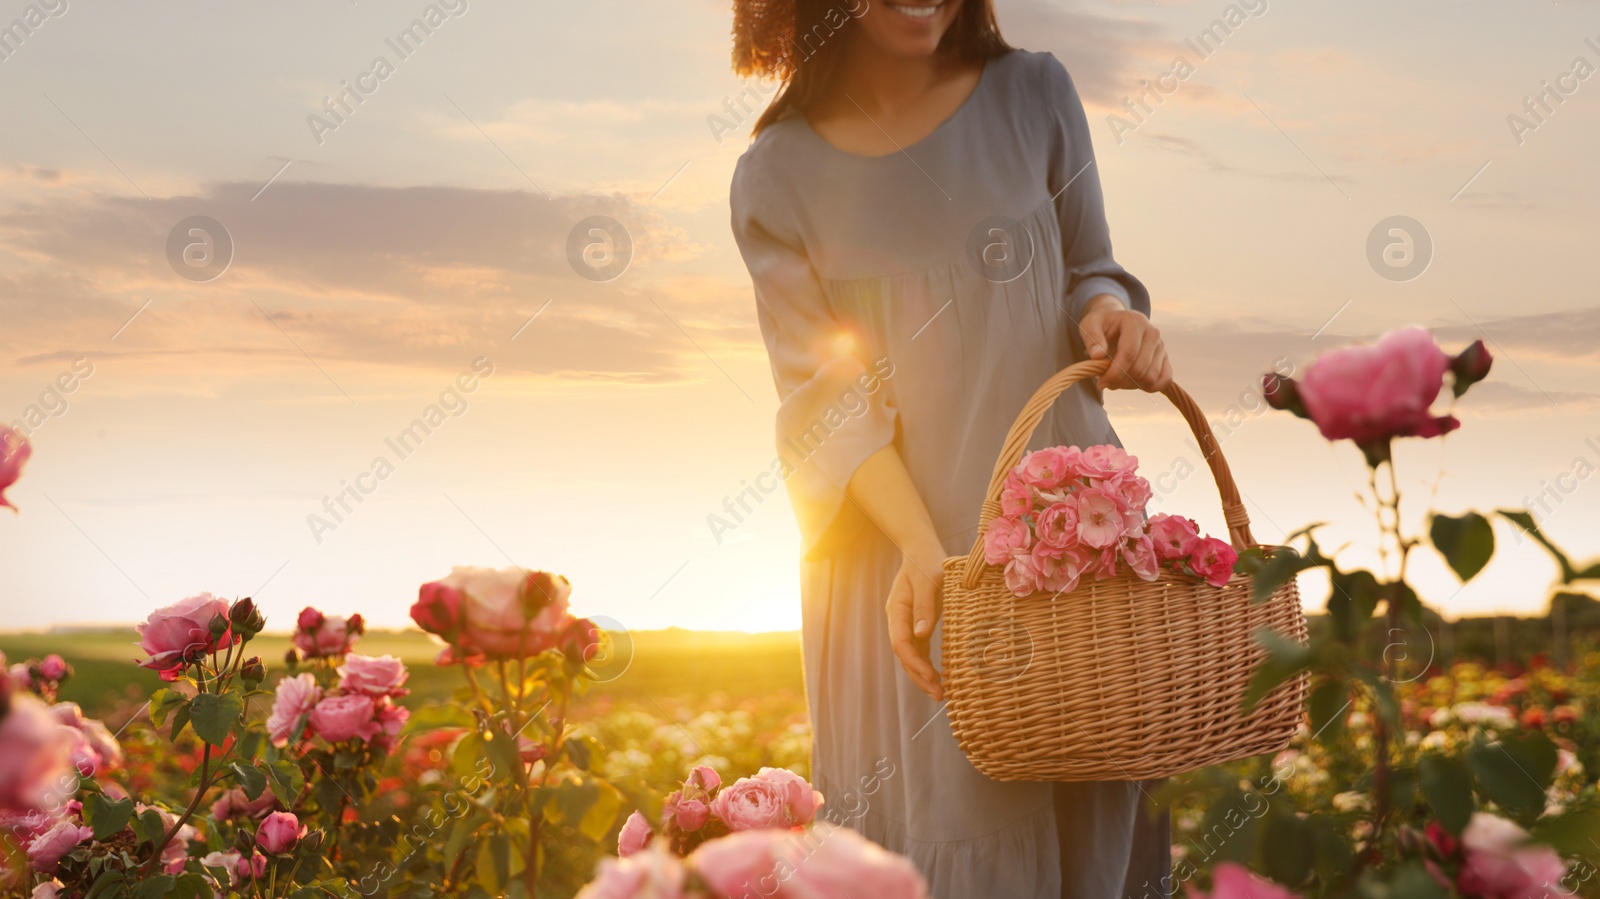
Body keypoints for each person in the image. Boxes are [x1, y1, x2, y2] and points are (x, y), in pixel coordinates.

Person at [728, 1, 1175, 896]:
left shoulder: (1034, 93)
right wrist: (921, 549)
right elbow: (825, 402)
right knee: (950, 845)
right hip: (905, 571)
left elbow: (1091, 263)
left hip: (1070, 552)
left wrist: (1111, 317)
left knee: (1092, 820)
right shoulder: (775, 177)